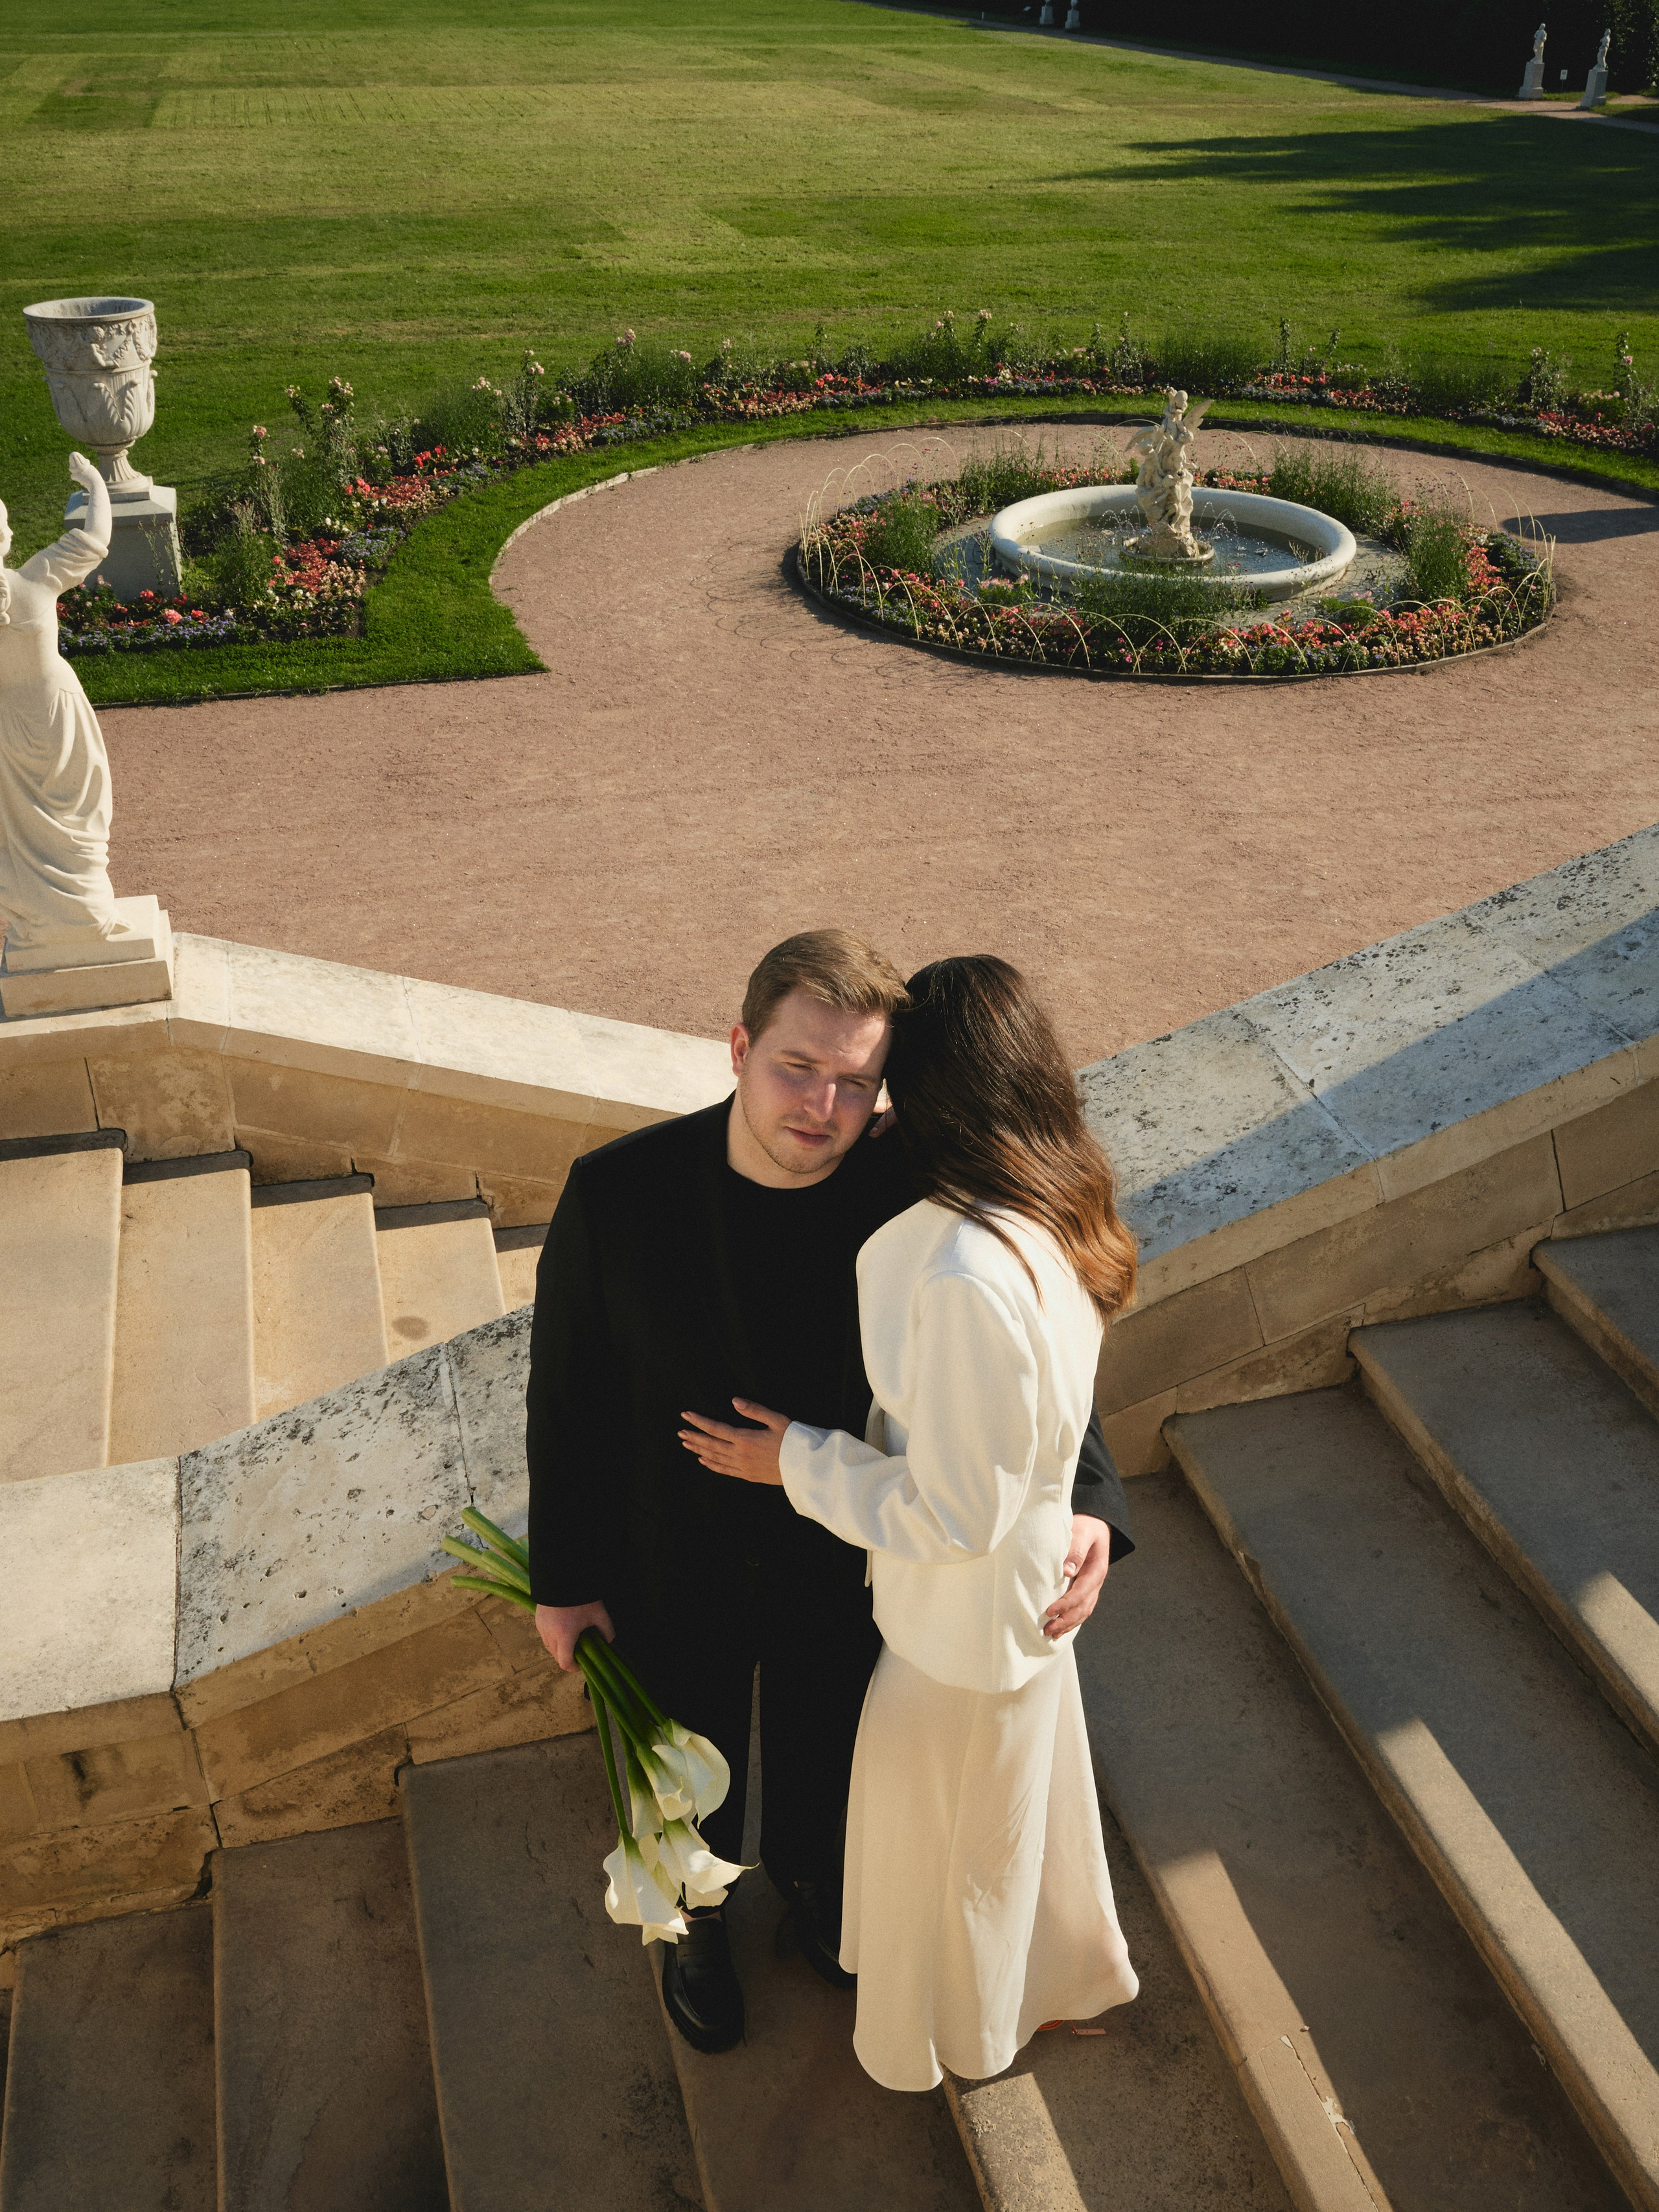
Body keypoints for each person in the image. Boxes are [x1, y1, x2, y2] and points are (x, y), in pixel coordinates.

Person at [527, 931, 1132, 2058]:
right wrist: (561, 1581)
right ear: (739, 1046)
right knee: (678, 1761)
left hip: (851, 1555)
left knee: (828, 1744)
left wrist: (1087, 1495)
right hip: (673, 1553)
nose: (824, 1104)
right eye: (797, 1067)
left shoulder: (918, 1176)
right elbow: (564, 1400)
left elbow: (1034, 1330)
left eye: (858, 1081)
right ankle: (691, 1922)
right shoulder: (617, 1192)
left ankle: (818, 1890)